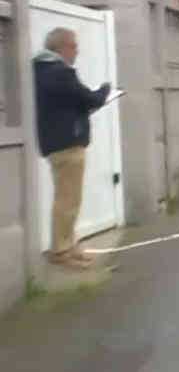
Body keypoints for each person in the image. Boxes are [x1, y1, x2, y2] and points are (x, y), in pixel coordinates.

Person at [33, 28, 112, 269]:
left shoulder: (40, 70)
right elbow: (88, 98)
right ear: (60, 48)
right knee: (67, 200)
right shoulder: (59, 72)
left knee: (70, 198)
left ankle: (70, 245)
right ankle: (61, 251)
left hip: (57, 142)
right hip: (67, 143)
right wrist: (105, 90)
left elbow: (70, 101)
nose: (77, 51)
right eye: (73, 46)